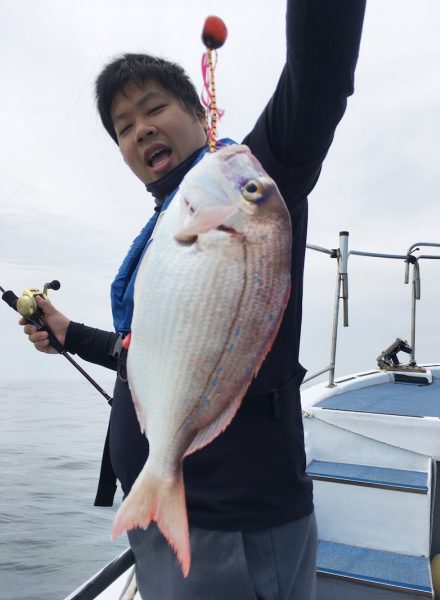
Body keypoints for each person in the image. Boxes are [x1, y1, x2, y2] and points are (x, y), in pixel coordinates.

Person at [21, 1, 366, 598]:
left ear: (199, 112)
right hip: (165, 511)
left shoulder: (250, 183)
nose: (140, 129)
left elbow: (320, 78)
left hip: (236, 525)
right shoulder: (165, 227)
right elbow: (155, 354)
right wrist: (69, 333)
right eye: (124, 127)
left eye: (154, 108)